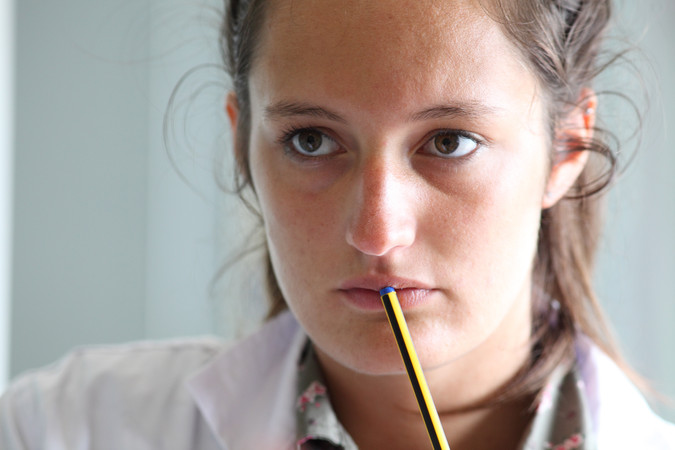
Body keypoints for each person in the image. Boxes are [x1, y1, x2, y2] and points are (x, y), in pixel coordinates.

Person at [2, 0, 675, 448]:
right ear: (242, 146)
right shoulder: (63, 427)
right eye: (310, 140)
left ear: (565, 148)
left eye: (448, 142)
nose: (377, 232)